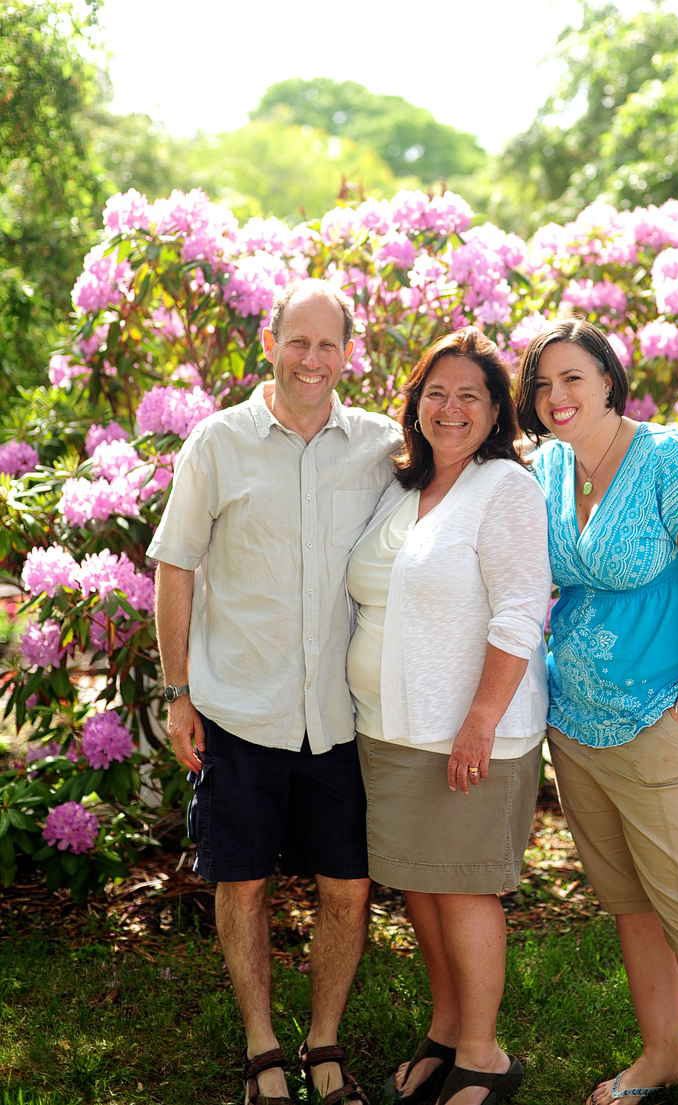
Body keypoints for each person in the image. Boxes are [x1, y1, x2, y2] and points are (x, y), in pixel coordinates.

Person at [148, 279, 402, 1105]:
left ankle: (323, 1040)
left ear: (347, 353)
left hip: (340, 717)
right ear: (270, 340)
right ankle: (263, 1048)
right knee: (244, 880)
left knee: (348, 884)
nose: (313, 359)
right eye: (299, 341)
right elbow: (175, 565)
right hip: (240, 710)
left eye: (329, 344)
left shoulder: (379, 446)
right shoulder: (217, 444)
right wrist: (180, 690)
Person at [515, 317, 678, 1105]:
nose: (557, 396)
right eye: (542, 383)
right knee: (633, 903)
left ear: (609, 380)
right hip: (581, 730)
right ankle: (662, 1056)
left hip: (675, 722)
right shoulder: (551, 468)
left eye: (572, 377)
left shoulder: (666, 460)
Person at [345, 328, 551, 1105]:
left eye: (470, 393)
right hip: (390, 727)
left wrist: (480, 719)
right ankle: (445, 1028)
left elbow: (522, 610)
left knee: (464, 889)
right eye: (437, 391)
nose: (451, 407)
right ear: (415, 403)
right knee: (421, 887)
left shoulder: (504, 489)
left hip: (471, 733)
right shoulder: (403, 486)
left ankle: (484, 1056)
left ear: (497, 409)